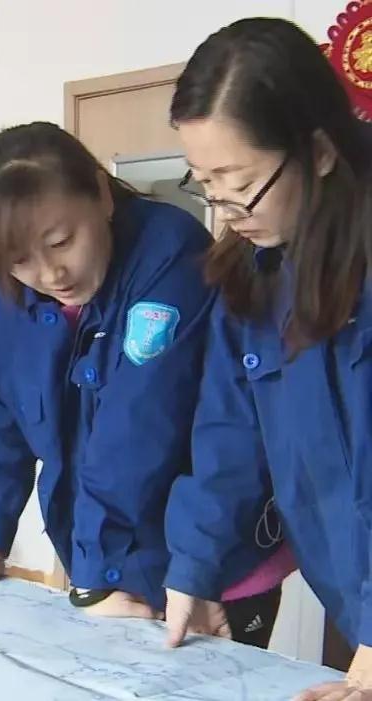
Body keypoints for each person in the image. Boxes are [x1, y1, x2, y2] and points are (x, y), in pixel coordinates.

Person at [0, 121, 286, 646]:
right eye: (20, 260)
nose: (52, 274)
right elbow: (1, 424)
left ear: (101, 194)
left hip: (207, 561)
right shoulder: (0, 302)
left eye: (61, 242)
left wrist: (94, 580)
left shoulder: (170, 254)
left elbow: (136, 430)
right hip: (105, 561)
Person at [161, 18, 372, 699]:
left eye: (239, 180)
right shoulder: (255, 273)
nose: (224, 208)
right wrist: (194, 570)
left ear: (319, 151)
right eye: (205, 182)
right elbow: (229, 436)